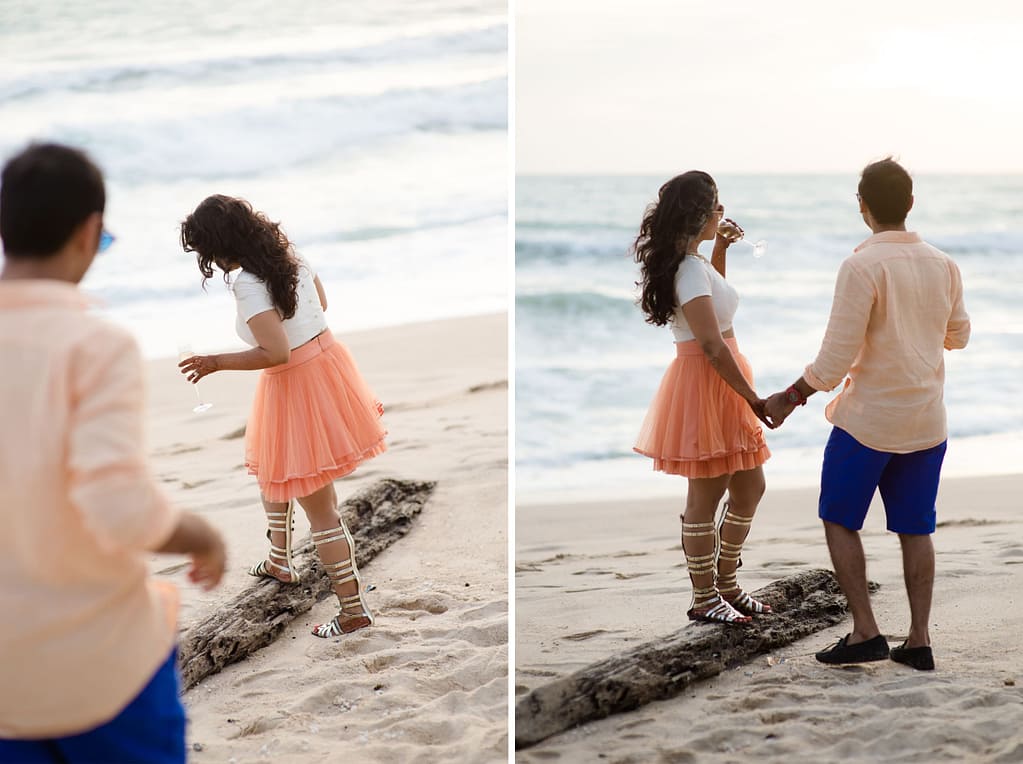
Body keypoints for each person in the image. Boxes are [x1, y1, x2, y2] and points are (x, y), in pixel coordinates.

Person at [0, 142, 227, 762]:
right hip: (100, 668)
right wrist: (203, 535)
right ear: (89, 232)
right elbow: (119, 509)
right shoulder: (94, 346)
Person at [765, 158, 971, 670]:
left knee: (838, 519)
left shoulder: (860, 266)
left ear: (863, 207)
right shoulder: (943, 263)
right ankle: (919, 641)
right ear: (910, 204)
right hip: (926, 421)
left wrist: (787, 399)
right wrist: (918, 332)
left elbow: (834, 362)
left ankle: (866, 632)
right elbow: (960, 335)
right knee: (915, 528)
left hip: (869, 423)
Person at [178, 194, 387, 638]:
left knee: (321, 507)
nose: (207, 260)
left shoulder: (248, 284)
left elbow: (275, 351)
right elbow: (322, 304)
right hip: (327, 364)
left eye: (205, 250)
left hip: (297, 382)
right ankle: (278, 559)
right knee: (273, 469)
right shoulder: (287, 253)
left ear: (219, 244)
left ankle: (354, 612)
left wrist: (214, 361)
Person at [633, 170, 775, 626]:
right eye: (717, 206)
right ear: (699, 214)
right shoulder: (689, 270)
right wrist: (755, 399)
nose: (722, 213)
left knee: (750, 486)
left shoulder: (694, 262)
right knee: (707, 493)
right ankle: (704, 596)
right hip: (709, 382)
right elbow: (712, 345)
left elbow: (716, 304)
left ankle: (727, 584)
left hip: (721, 380)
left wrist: (721, 250)